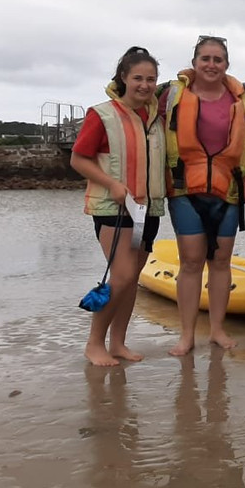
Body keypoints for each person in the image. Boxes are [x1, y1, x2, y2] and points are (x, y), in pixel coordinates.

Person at [71, 46, 167, 367]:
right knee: (122, 276)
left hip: (146, 210)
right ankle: (94, 343)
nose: (144, 84)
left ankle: (119, 343)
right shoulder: (102, 114)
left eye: (151, 79)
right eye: (138, 77)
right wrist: (111, 183)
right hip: (112, 208)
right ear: (123, 77)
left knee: (132, 277)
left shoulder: (156, 118)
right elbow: (78, 159)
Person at [159, 35, 245, 356]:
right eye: (206, 59)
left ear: (226, 64)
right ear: (195, 62)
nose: (211, 65)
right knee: (190, 262)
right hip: (185, 189)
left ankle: (216, 329)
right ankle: (186, 335)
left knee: (221, 262)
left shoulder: (241, 99)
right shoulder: (174, 95)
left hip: (228, 190)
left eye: (218, 60)